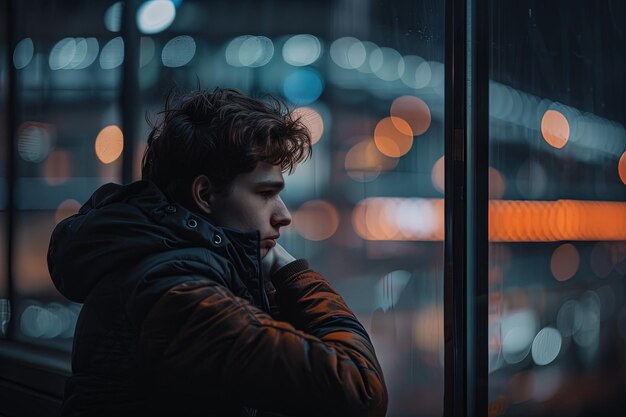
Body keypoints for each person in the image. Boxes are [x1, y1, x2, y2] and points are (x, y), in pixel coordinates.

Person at [48, 87, 388, 417]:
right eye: (265, 193)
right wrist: (292, 271)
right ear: (205, 194)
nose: (283, 215)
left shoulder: (160, 261)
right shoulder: (178, 293)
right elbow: (360, 391)